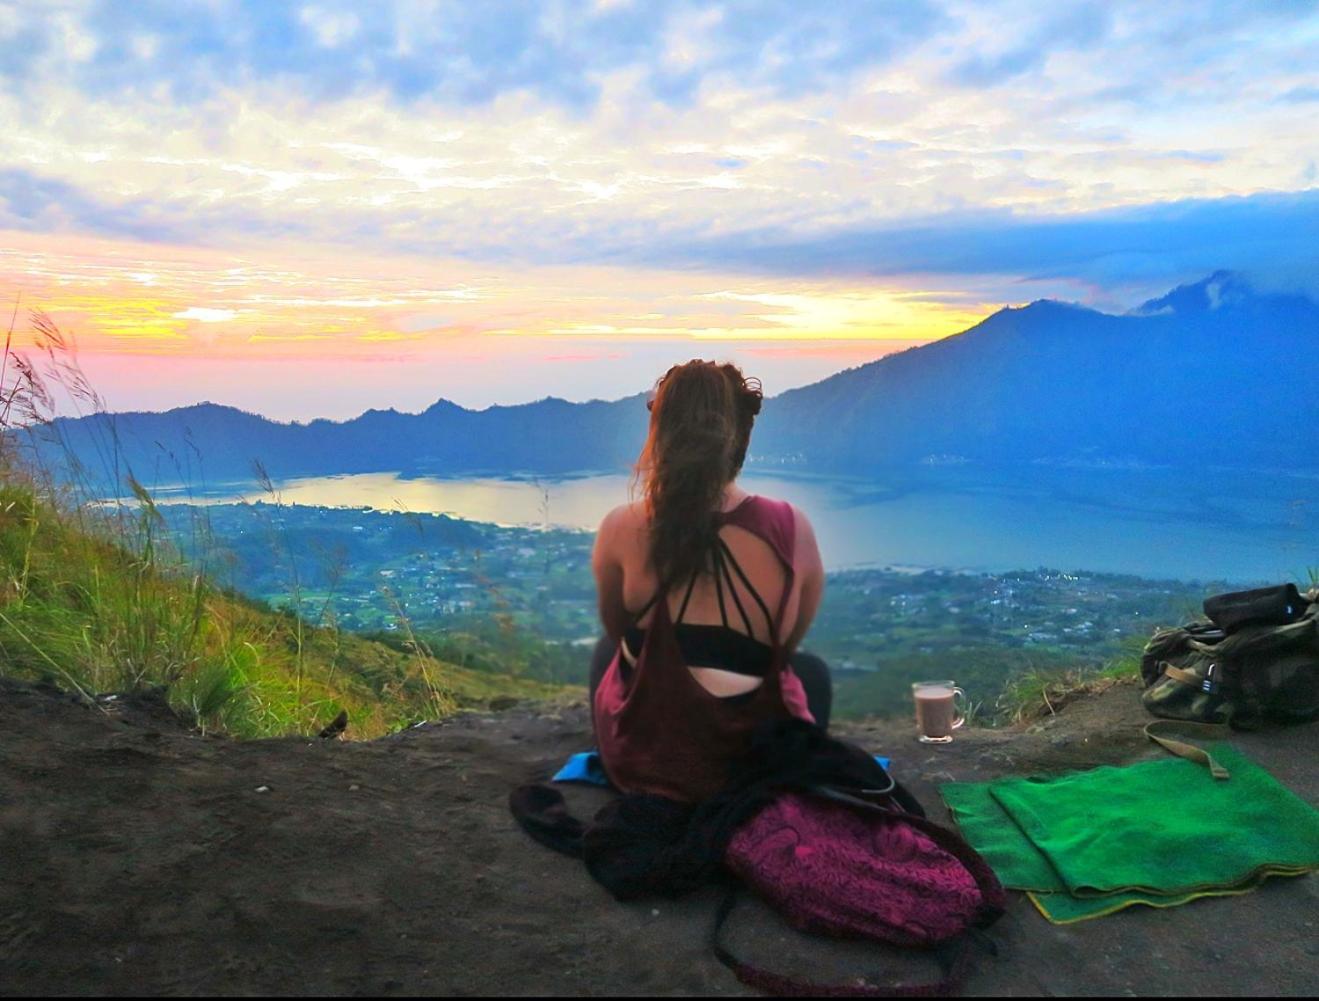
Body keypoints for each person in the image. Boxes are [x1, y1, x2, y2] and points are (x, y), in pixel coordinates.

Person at [588, 359, 832, 803]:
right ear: (739, 438)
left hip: (650, 767)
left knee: (610, 653)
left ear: (660, 435)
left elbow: (615, 627)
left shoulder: (621, 526)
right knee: (810, 672)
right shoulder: (790, 527)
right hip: (753, 770)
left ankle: (621, 764)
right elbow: (787, 642)